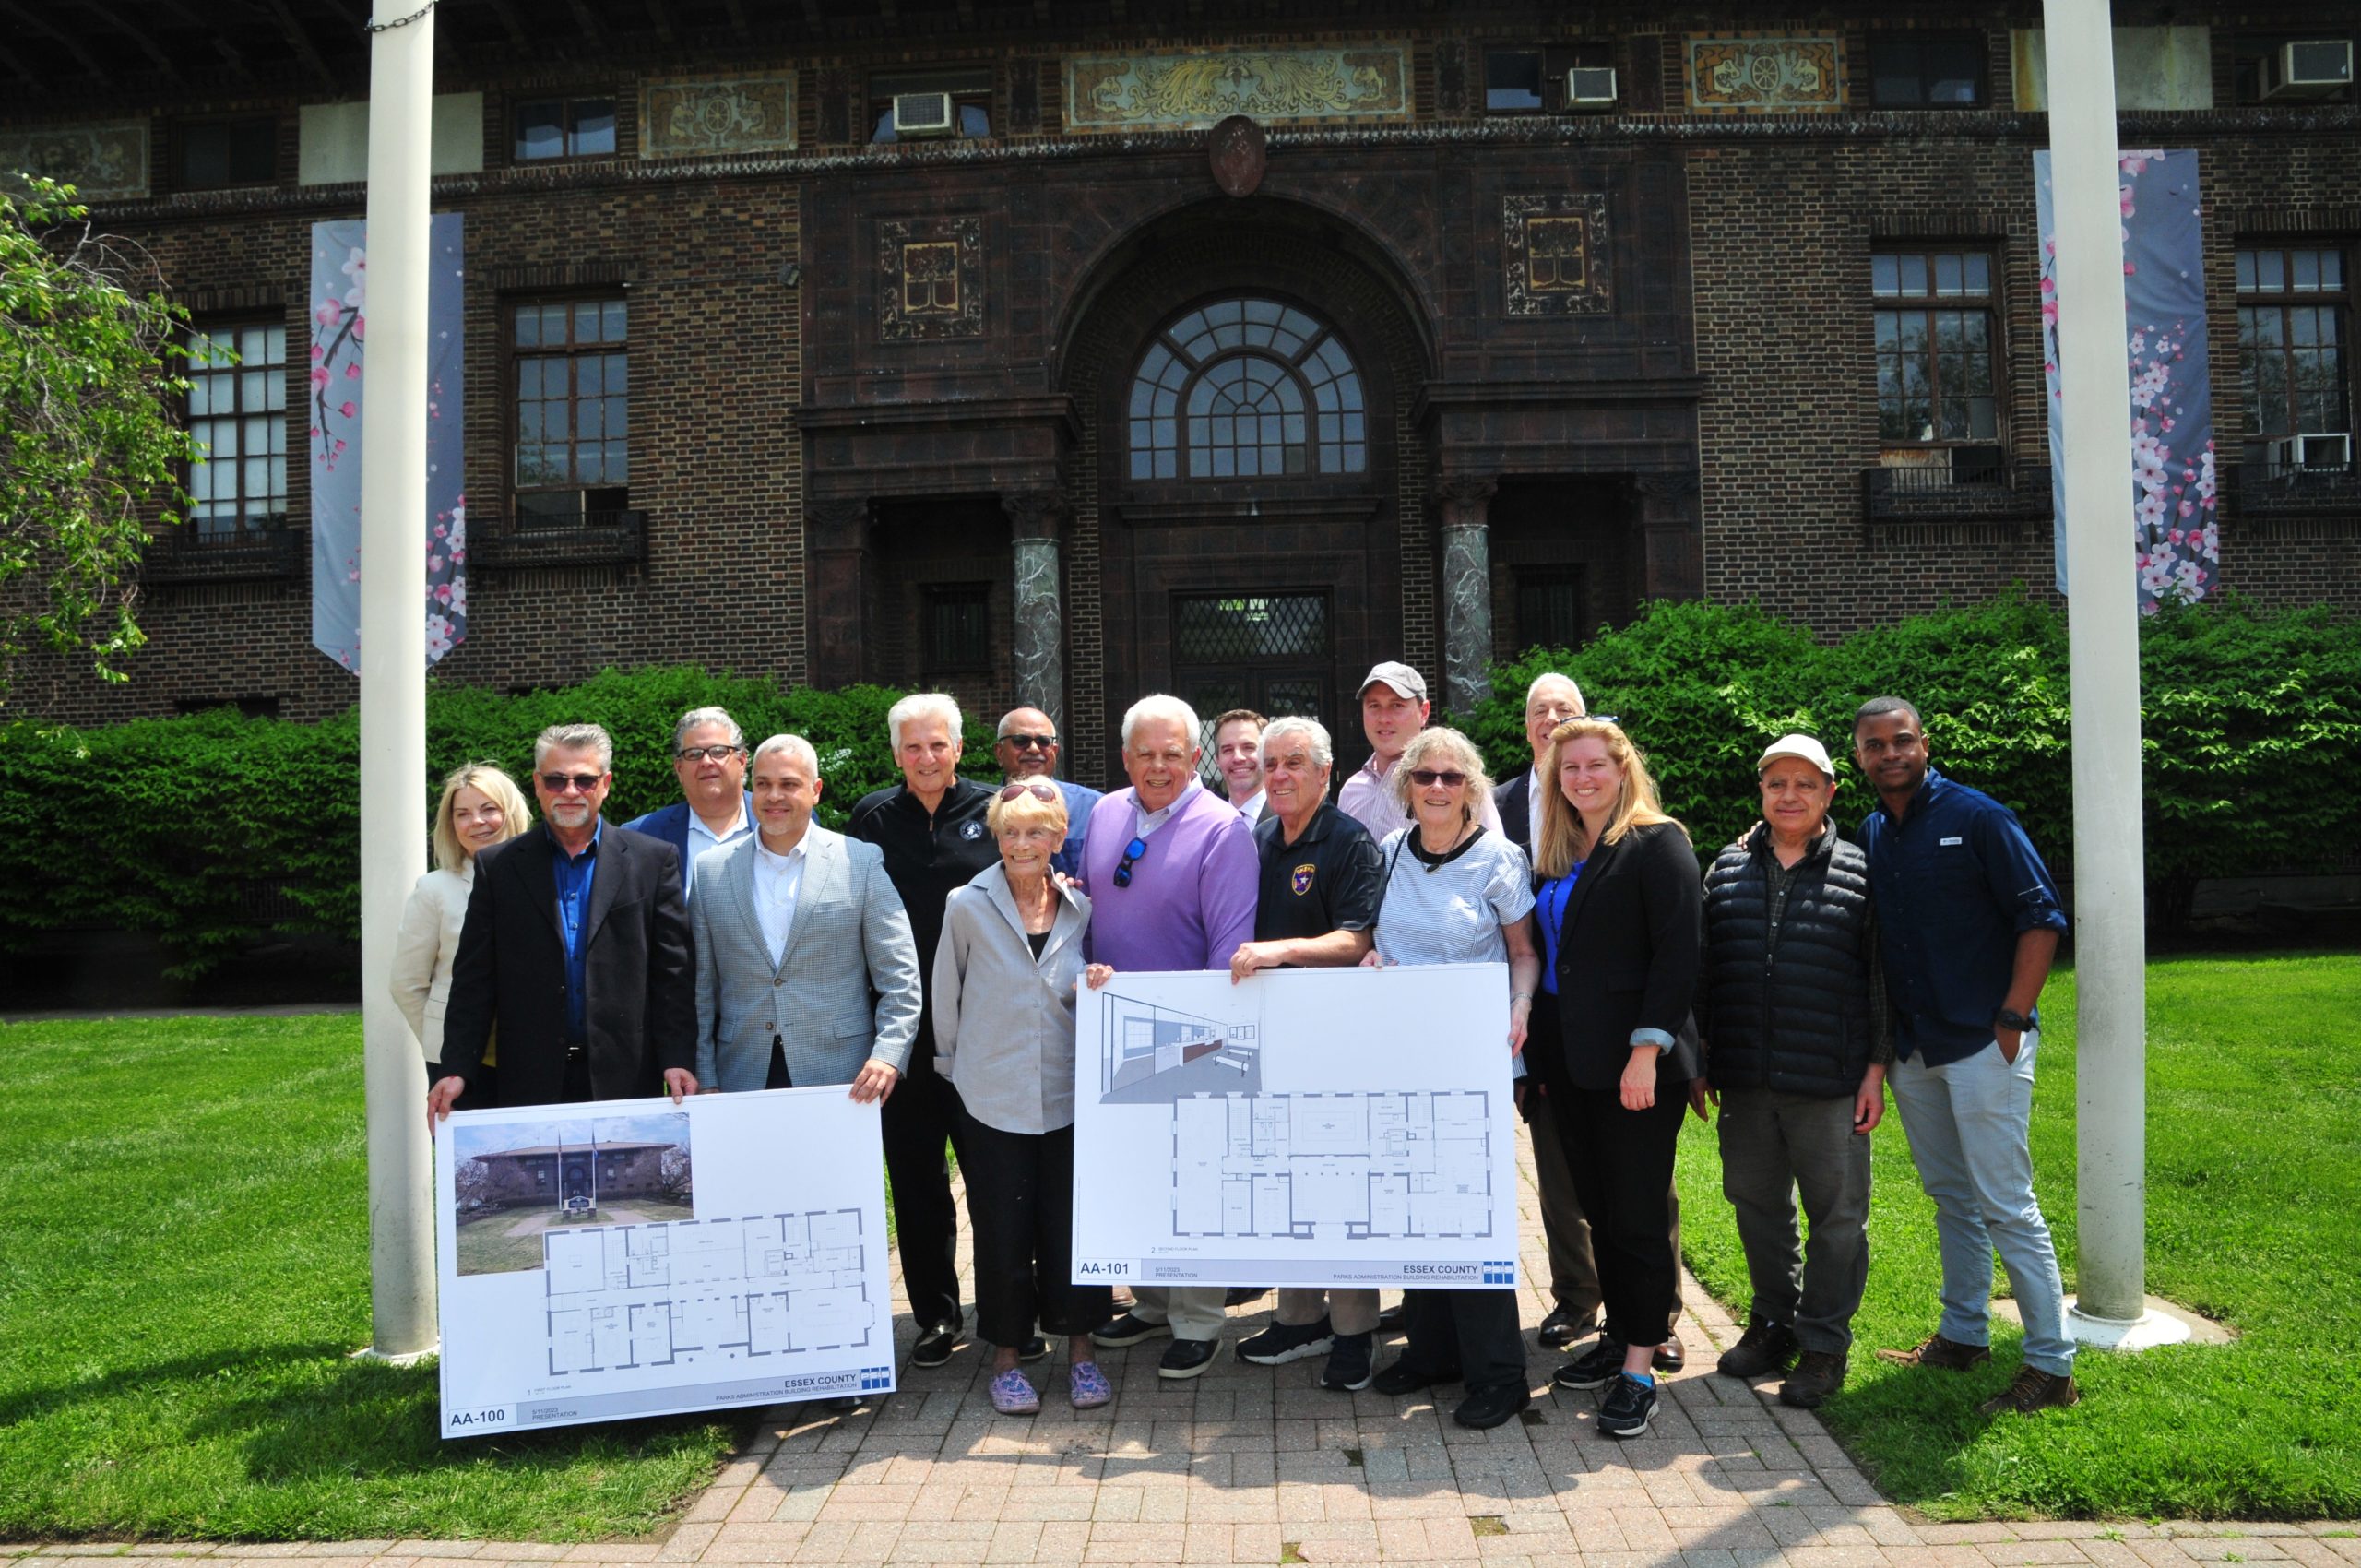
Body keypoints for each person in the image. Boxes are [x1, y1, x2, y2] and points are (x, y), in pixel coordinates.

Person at [1853, 696, 2078, 1417]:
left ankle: (2051, 1366)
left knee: (2007, 1204)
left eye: (1902, 741)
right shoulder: (1873, 832)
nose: (1890, 754)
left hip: (1985, 1041)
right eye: (1874, 745)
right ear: (1858, 757)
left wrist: (2013, 1015)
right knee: (1951, 1197)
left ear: (1925, 743)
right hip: (1918, 1047)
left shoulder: (1978, 817)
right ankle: (1963, 1335)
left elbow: (2041, 916)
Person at [1696, 733, 1891, 1409]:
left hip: (1832, 1081)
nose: (1789, 795)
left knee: (1838, 1217)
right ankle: (1774, 1322)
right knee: (1757, 1207)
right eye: (1777, 783)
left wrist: (1875, 1069)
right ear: (1761, 792)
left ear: (1830, 793)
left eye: (1805, 784)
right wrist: (1700, 1061)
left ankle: (1825, 1344)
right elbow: (1705, 974)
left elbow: (1880, 981)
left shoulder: (1862, 873)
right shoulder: (1725, 868)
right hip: (1746, 1078)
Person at [1359, 726, 1539, 1431]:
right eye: (1424, 776)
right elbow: (1370, 934)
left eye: (1451, 777)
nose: (1437, 787)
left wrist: (1521, 1002)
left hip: (1475, 1057)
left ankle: (1499, 1374)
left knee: (1473, 1215)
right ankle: (1432, 1352)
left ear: (1470, 786)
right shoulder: (1387, 854)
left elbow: (1523, 951)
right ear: (1406, 787)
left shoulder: (1499, 858)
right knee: (1414, 1204)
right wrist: (1371, 959)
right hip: (1401, 1055)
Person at [1533, 718, 1703, 1441]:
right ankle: (1618, 1336)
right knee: (1601, 1210)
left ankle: (1639, 1366)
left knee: (1635, 1217)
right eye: (1569, 769)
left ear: (1622, 767)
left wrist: (1647, 1049)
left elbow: (1679, 952)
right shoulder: (1563, 851)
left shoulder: (1657, 842)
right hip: (1571, 1065)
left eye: (1595, 765)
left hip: (1635, 1065)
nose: (1582, 778)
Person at [1083, 694, 1259, 1378]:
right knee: (1136, 1176)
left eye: (1173, 754)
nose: (1159, 766)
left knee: (1193, 1179)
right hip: (1115, 1026)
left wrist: (1211, 1042)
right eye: (1146, 754)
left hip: (1194, 1031)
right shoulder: (1103, 813)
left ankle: (1198, 1319)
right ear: (1126, 758)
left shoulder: (1222, 830)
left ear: (1196, 758)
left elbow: (1230, 942)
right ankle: (1154, 1301)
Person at [931, 780, 1115, 1414]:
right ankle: (1008, 1359)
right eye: (1010, 832)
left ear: (1059, 839)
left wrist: (1097, 981)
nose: (1021, 843)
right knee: (1003, 1230)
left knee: (1067, 1228)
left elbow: (1094, 987)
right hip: (990, 1095)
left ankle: (1082, 1353)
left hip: (1066, 1093)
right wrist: (955, 1069)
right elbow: (945, 993)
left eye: (1036, 831)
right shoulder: (966, 902)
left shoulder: (1080, 908)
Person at [846, 693, 1009, 1370]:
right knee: (916, 1183)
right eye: (913, 747)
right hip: (905, 1034)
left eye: (938, 744)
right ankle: (937, 1317)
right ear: (895, 754)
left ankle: (1008, 1315)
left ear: (959, 747)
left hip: (986, 1030)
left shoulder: (997, 811)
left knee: (996, 1179)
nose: (926, 757)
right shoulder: (870, 819)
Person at [428, 723, 696, 1123]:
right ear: (537, 784)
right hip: (529, 1076)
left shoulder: (653, 861)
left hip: (625, 1075)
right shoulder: (499, 867)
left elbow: (672, 974)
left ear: (605, 783)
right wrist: (455, 1067)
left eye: (584, 780)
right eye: (556, 780)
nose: (570, 791)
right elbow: (474, 980)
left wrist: (676, 1058)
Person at [1224, 718, 1383, 1391]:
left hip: (1335, 1043)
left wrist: (1282, 952)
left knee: (1337, 1182)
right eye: (1272, 764)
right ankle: (1297, 1317)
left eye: (1295, 763)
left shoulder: (1349, 841)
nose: (1280, 775)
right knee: (1282, 1179)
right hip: (1270, 1042)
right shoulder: (1257, 837)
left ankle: (1354, 1332)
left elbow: (1357, 939)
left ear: (1325, 773)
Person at [689, 733, 920, 1099]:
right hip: (740, 1072)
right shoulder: (710, 871)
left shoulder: (858, 861)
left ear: (816, 790)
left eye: (789, 784)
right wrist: (705, 1074)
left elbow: (900, 977)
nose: (774, 796)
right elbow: (701, 988)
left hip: (843, 1075)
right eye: (763, 784)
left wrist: (888, 1056)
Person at [1489, 671, 1608, 1355]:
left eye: (1565, 708)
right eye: (1540, 710)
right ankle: (1575, 1299)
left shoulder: (1613, 805)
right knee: (1557, 1164)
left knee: (1636, 1173)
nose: (1551, 717)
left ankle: (1656, 1315)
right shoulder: (1500, 802)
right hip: (1539, 1008)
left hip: (1611, 1014)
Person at [391, 763, 532, 1111]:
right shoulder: (434, 890)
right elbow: (406, 983)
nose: (477, 822)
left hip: (532, 1052)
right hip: (461, 1064)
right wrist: (445, 1043)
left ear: (511, 813)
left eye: (488, 809)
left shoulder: (542, 880)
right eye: (463, 814)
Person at [1336, 660, 1502, 844]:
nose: (1384, 718)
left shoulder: (1456, 784)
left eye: (1397, 705)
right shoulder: (1352, 791)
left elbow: (1494, 855)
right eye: (1374, 706)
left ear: (1424, 712)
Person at [623, 706, 755, 898]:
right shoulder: (642, 835)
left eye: (718, 751)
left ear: (742, 762)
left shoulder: (785, 820)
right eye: (694, 754)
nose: (707, 762)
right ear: (679, 769)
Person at [992, 706, 1100, 880]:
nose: (1034, 749)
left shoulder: (1094, 808)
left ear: (1055, 751)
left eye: (1044, 741)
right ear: (999, 752)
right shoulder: (981, 811)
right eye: (1021, 740)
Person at [1210, 707, 1268, 821]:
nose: (1238, 758)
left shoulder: (1288, 818)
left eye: (1248, 748)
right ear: (1217, 759)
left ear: (1267, 754)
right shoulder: (1208, 821)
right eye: (1227, 750)